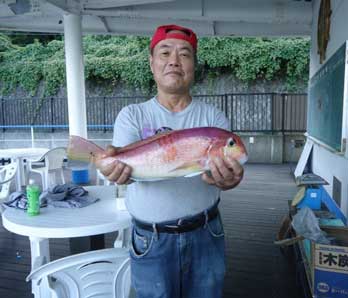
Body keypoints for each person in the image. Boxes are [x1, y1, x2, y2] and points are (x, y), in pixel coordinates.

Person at [98, 24, 244, 298]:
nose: (174, 61)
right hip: (150, 239)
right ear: (152, 63)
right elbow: (126, 170)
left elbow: (228, 178)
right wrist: (114, 170)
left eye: (184, 54)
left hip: (206, 233)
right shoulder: (132, 115)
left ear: (194, 66)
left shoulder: (214, 121)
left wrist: (231, 180)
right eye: (165, 53)